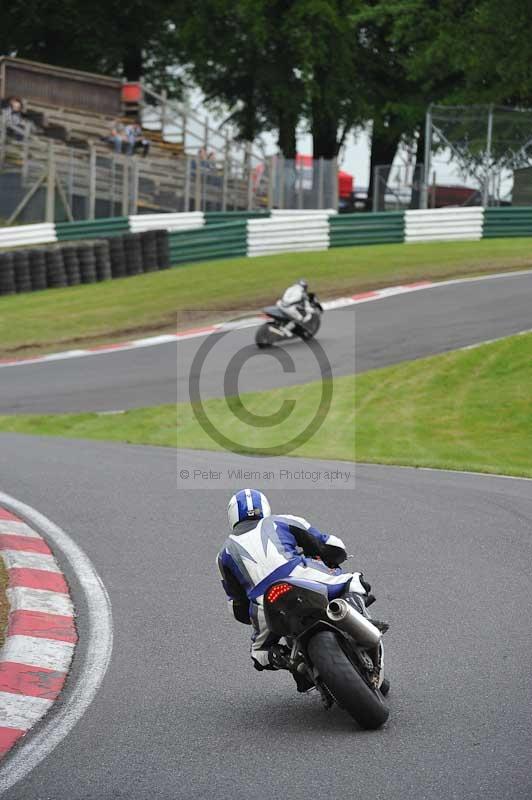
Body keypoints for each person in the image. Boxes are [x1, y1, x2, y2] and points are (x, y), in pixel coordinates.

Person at [217, 489, 387, 681]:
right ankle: (361, 621)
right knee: (354, 580)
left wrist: (252, 615)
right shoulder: (282, 521)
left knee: (259, 653)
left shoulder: (224, 554)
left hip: (264, 603)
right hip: (301, 576)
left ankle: (288, 661)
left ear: (232, 515)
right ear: (264, 508)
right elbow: (329, 545)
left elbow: (237, 606)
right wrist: (335, 557)